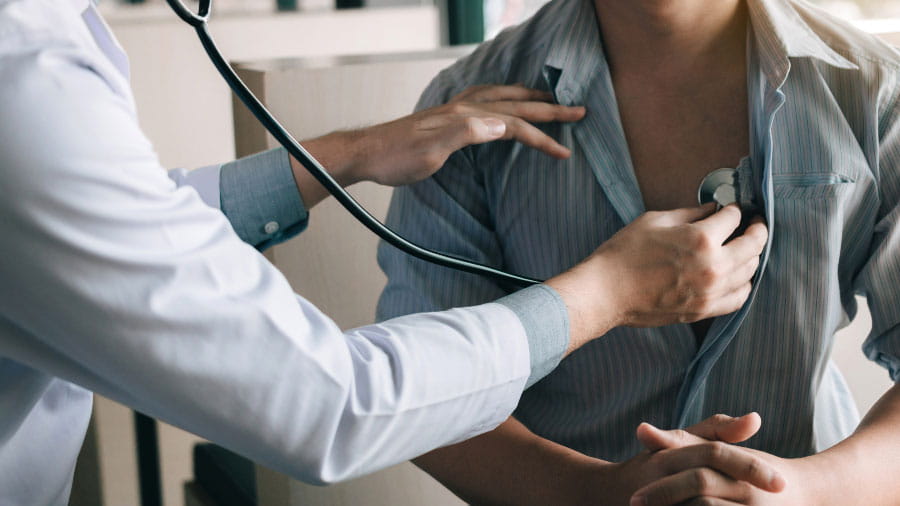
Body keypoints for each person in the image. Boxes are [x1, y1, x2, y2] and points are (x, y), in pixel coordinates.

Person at [0, 0, 771, 503]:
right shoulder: (22, 82)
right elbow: (331, 404)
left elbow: (114, 235)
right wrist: (605, 294)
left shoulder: (869, 88)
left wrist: (348, 154)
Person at [377, 0, 900, 503]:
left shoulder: (875, 91)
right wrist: (590, 494)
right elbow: (423, 397)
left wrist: (811, 493)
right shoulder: (464, 114)